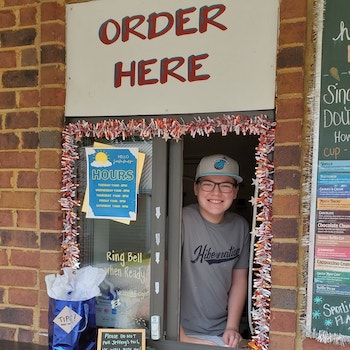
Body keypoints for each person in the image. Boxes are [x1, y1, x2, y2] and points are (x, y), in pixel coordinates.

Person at [180, 154, 250, 348]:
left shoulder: (240, 227)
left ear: (235, 191)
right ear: (196, 188)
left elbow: (239, 281)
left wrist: (232, 327)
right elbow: (161, 277)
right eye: (208, 184)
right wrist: (180, 336)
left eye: (226, 185)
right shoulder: (181, 221)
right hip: (182, 330)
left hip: (220, 333)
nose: (216, 193)